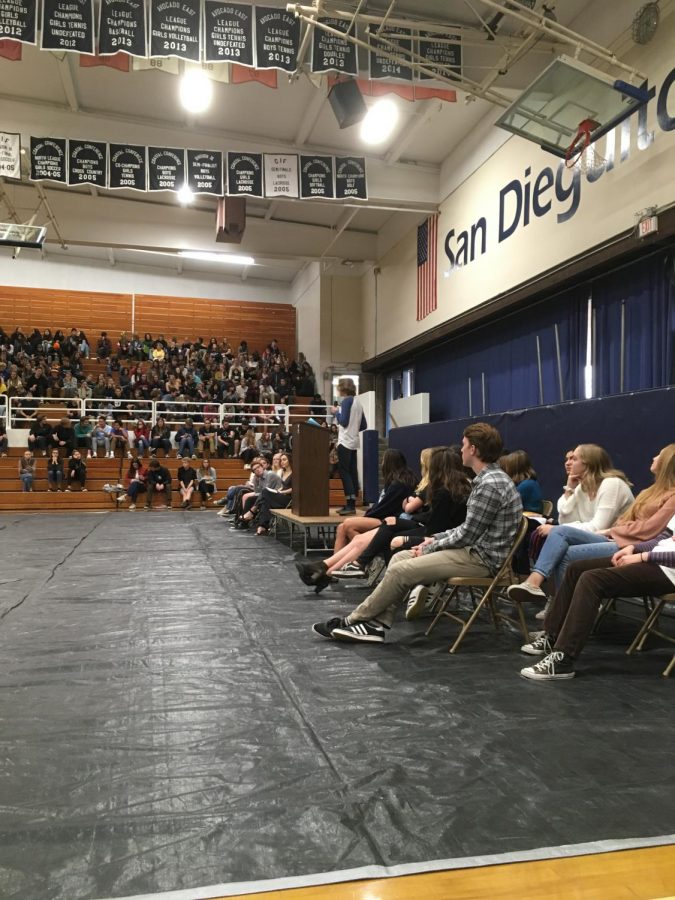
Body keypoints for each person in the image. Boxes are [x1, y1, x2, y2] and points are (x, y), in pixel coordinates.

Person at [312, 423, 523, 642]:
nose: (461, 450)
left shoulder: (490, 485)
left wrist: (430, 544)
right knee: (400, 557)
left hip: (480, 559)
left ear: (474, 450)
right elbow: (466, 530)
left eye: (464, 445)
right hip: (472, 551)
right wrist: (432, 541)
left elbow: (467, 535)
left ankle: (354, 619)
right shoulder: (488, 480)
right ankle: (376, 625)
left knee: (401, 570)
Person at [508, 444, 675, 603]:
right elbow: (565, 518)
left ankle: (556, 603)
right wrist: (569, 489)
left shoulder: (612, 484)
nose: (568, 462)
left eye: (574, 458)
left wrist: (612, 531)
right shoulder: (648, 491)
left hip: (626, 543)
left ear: (588, 463)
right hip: (615, 538)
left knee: (561, 542)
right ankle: (554, 602)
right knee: (558, 536)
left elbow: (648, 529)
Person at [519, 514, 675, 681]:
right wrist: (634, 548)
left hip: (668, 573)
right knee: (576, 569)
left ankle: (563, 659)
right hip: (653, 561)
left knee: (592, 580)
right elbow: (664, 538)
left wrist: (643, 556)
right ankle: (552, 635)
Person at [332, 377, 366, 515]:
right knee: (352, 472)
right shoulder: (358, 403)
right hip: (354, 441)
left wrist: (336, 413)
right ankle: (351, 504)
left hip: (345, 441)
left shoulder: (346, 401)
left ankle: (349, 505)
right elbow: (364, 425)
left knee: (344, 472)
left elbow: (344, 421)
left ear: (342, 389)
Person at [248, 452, 293, 534]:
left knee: (265, 491)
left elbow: (294, 489)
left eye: (284, 460)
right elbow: (282, 486)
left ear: (289, 460)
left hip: (289, 499)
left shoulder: (294, 473)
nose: (282, 462)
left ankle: (252, 511)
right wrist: (279, 490)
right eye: (281, 460)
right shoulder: (282, 472)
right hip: (281, 495)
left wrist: (281, 491)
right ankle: (262, 526)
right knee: (265, 501)